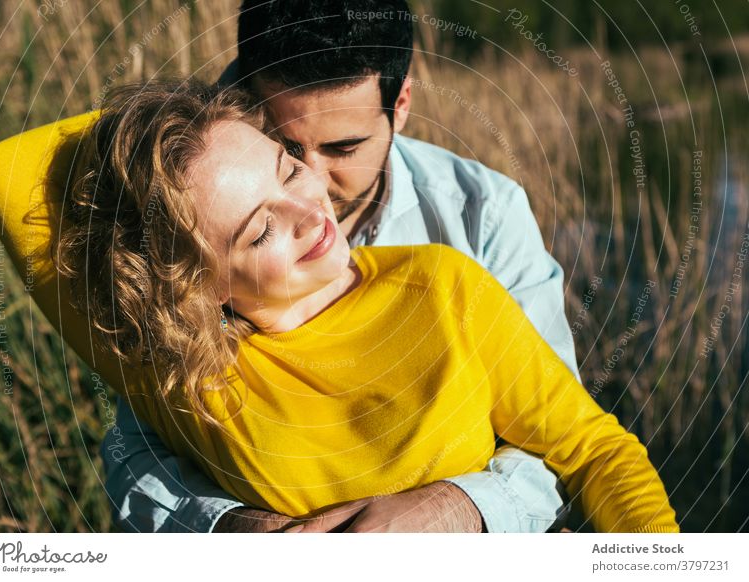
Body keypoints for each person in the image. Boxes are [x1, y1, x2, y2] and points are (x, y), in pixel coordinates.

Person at [53, 78, 678, 534]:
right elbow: (8, 174)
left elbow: (595, 449)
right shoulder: (190, 366)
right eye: (259, 229)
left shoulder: (442, 288)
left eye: (287, 167)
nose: (312, 208)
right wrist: (240, 532)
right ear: (196, 285)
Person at [102, 0, 580, 533]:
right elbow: (132, 451)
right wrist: (239, 529)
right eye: (285, 148)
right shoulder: (184, 209)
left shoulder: (484, 215)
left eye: (343, 147)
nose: (314, 185)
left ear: (399, 105)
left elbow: (564, 439)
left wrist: (459, 509)